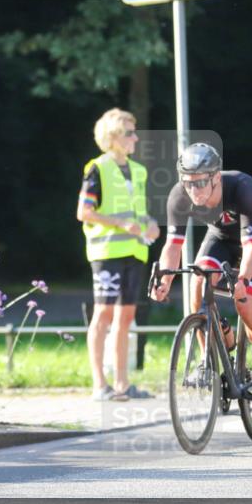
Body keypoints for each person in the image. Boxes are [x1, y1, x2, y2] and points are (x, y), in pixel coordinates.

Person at [150, 143, 252, 405]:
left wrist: (243, 280)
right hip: (220, 237)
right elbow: (172, 245)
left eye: (200, 183)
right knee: (198, 280)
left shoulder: (242, 187)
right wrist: (164, 280)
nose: (193, 190)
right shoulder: (179, 195)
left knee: (245, 303)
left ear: (216, 177)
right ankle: (207, 358)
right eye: (188, 183)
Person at [77, 108, 159, 402]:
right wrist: (120, 223)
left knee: (126, 318)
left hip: (135, 252)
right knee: (104, 314)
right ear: (112, 137)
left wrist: (149, 223)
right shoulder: (97, 168)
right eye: (129, 133)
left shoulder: (138, 171)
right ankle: (100, 385)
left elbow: (137, 210)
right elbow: (84, 211)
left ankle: (122, 385)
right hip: (107, 252)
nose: (135, 138)